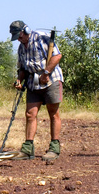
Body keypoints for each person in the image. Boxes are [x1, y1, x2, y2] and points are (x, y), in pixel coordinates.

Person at [8, 20, 63, 161]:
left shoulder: (42, 38)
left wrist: (46, 73)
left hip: (51, 80)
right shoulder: (21, 48)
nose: (19, 40)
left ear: (26, 31)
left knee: (53, 113)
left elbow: (57, 56)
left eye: (20, 36)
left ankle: (54, 148)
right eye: (16, 38)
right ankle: (27, 149)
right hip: (33, 82)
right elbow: (22, 68)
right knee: (30, 114)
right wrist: (19, 80)